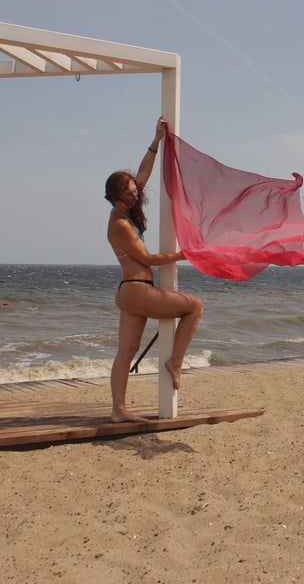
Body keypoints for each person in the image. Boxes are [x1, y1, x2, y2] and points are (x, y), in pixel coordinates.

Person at [104, 117, 203, 423]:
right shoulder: (119, 224)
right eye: (130, 194)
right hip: (138, 288)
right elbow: (145, 258)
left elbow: (143, 173)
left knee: (127, 352)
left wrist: (156, 141)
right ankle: (175, 363)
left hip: (131, 292)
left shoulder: (127, 210)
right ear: (115, 197)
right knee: (195, 307)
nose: (136, 195)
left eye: (135, 191)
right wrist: (180, 255)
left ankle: (118, 410)